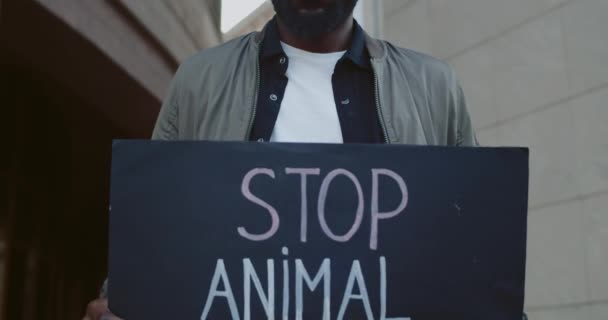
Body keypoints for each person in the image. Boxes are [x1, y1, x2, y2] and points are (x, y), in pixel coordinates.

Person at [83, 0, 477, 318]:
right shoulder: (200, 80)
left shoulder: (433, 86)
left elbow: (473, 242)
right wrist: (119, 301)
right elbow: (158, 225)